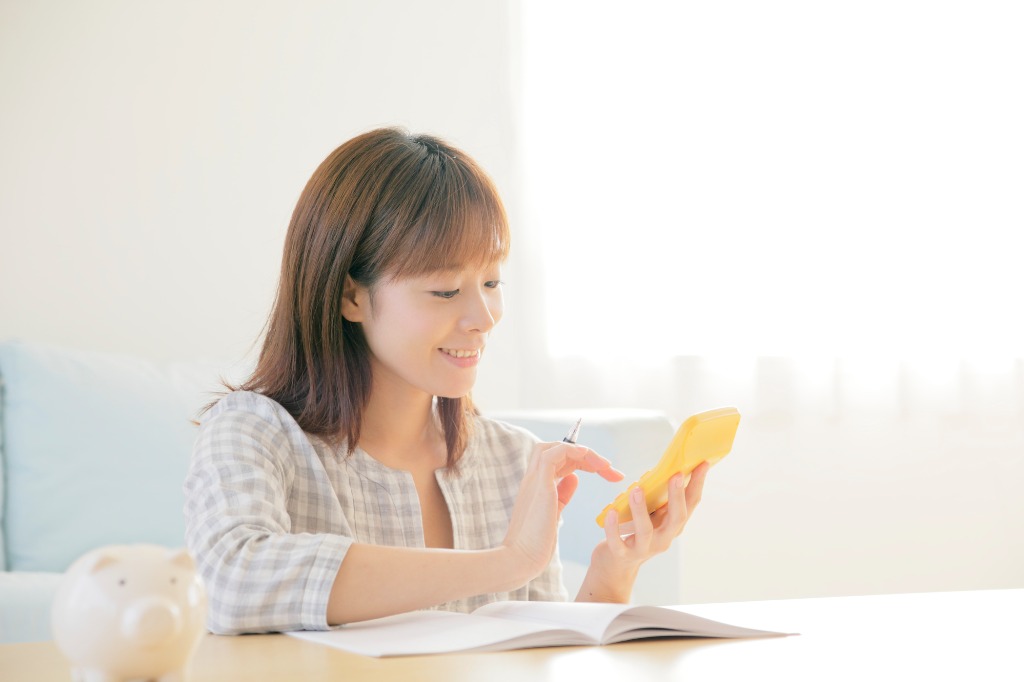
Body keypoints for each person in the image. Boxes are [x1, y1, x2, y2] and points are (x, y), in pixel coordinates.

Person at [183, 127, 709, 634]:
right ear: (351, 297)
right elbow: (231, 582)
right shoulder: (252, 433)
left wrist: (613, 570)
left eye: (491, 281)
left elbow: (545, 651)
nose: (484, 317)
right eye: (444, 291)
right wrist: (508, 561)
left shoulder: (512, 460)